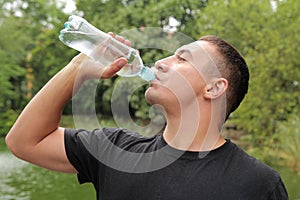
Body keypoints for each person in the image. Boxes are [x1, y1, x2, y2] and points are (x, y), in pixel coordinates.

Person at [5, 34, 288, 200]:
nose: (161, 62)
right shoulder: (114, 150)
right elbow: (23, 141)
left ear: (214, 87)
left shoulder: (259, 184)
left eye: (182, 58)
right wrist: (79, 65)